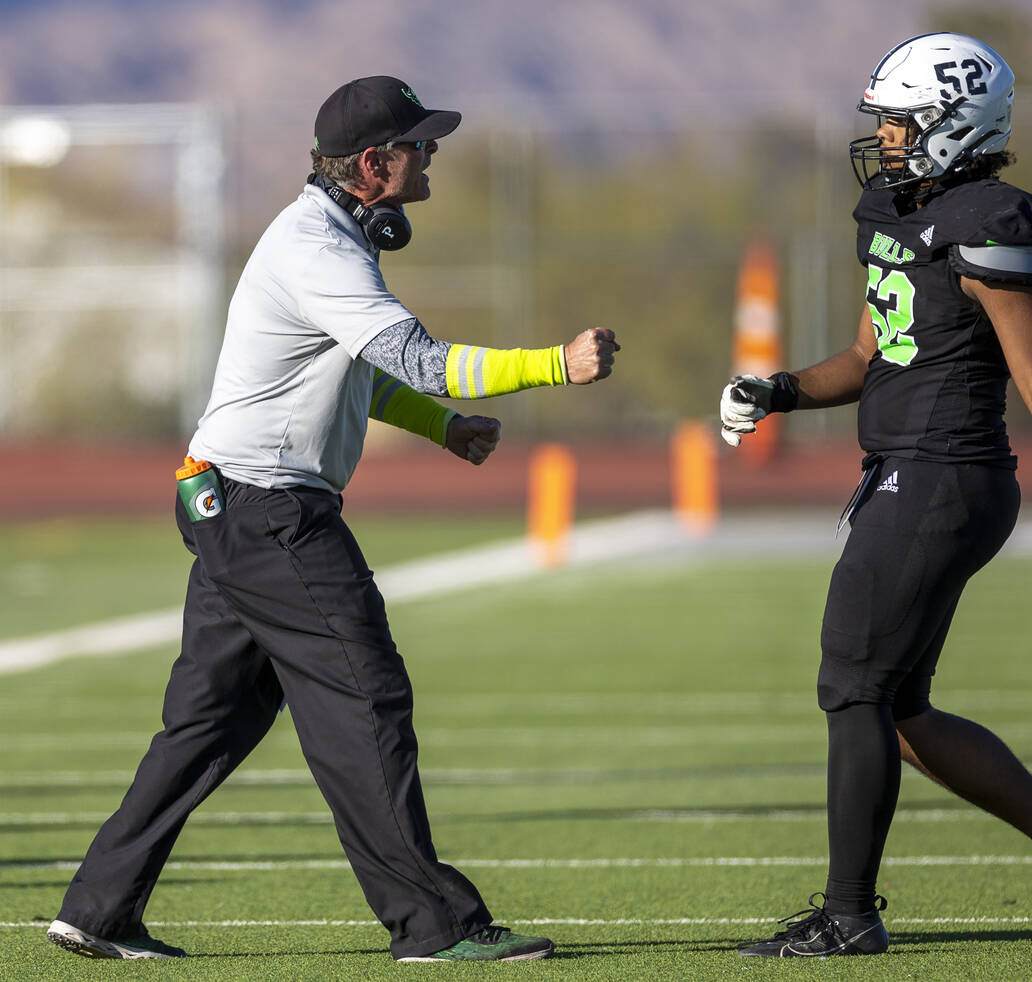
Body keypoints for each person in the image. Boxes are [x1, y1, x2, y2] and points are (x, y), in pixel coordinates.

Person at [47, 75, 618, 964]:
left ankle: (99, 907)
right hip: (269, 511)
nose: (431, 156)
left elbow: (363, 373)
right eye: (419, 145)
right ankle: (434, 927)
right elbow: (421, 361)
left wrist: (444, 429)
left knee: (211, 721)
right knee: (366, 696)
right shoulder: (320, 248)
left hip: (229, 499)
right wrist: (555, 363)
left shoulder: (327, 238)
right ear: (372, 164)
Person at [719, 33, 1032, 958]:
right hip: (908, 474)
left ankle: (849, 915)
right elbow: (874, 356)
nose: (888, 139)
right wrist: (779, 389)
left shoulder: (990, 220)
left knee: (852, 686)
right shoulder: (894, 211)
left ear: (957, 123)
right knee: (896, 707)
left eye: (903, 123)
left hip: (944, 476)